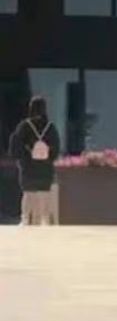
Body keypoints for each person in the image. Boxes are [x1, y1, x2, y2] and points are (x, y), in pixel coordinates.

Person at [9, 96, 61, 226]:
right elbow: (56, 147)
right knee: (44, 193)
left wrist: (22, 158)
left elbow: (16, 144)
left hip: (28, 165)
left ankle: (25, 218)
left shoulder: (25, 126)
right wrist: (49, 158)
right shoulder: (50, 127)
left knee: (28, 193)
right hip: (45, 166)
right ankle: (44, 219)